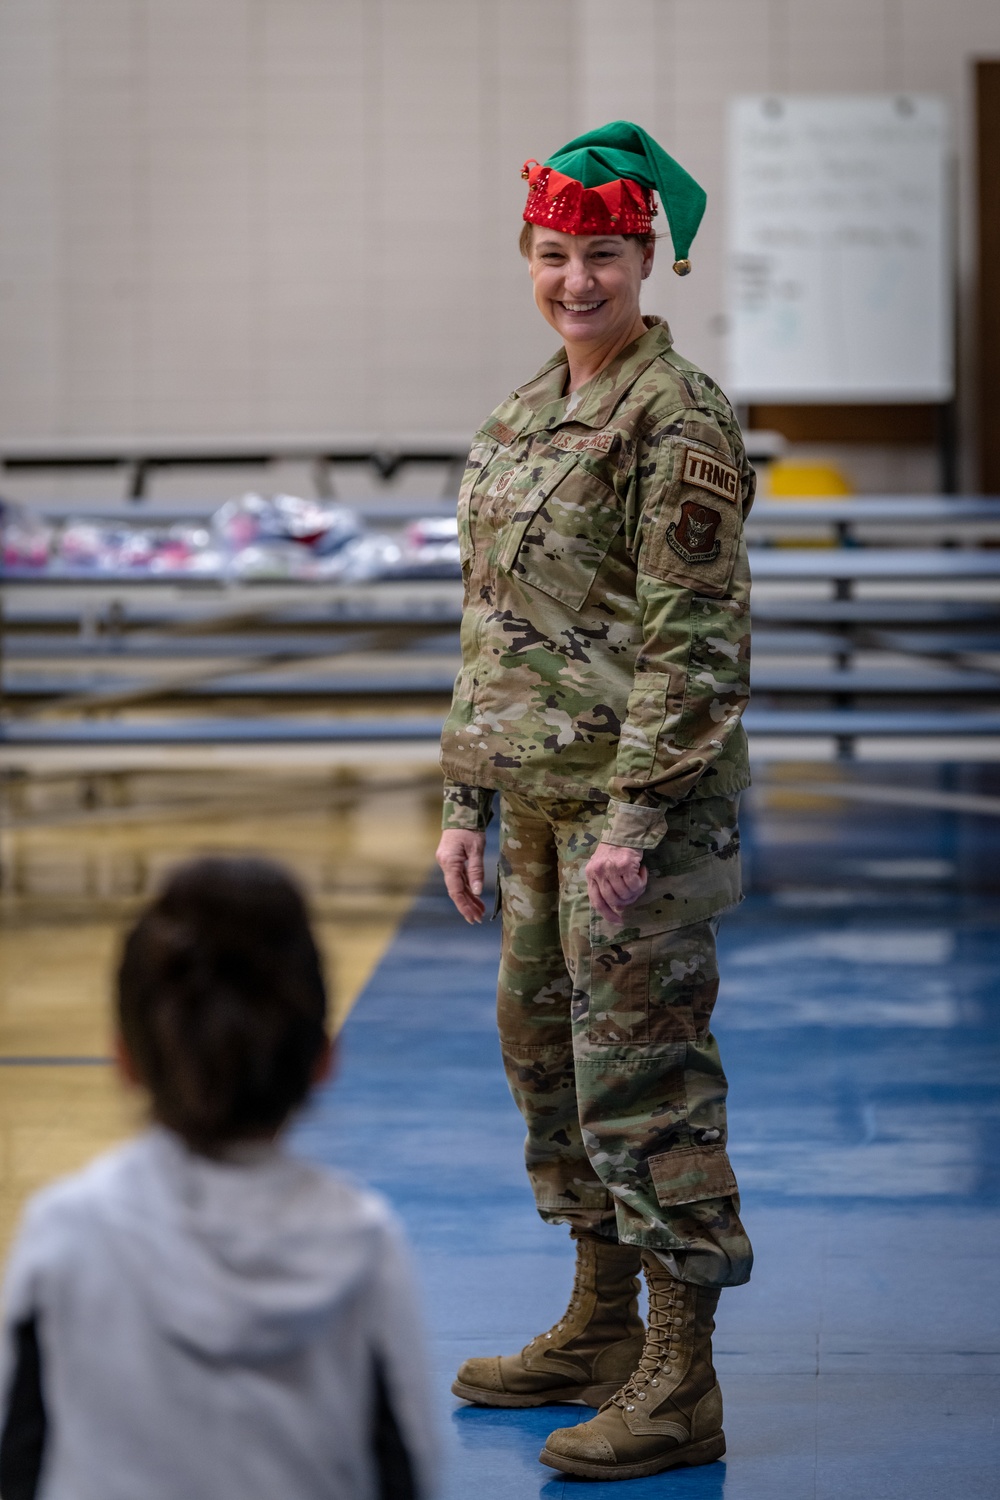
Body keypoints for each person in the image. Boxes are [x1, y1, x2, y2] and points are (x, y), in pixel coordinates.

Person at [436, 120, 754, 1482]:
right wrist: (465, 796)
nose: (578, 280)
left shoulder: (676, 418)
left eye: (604, 256)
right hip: (535, 806)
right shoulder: (525, 413)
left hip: (639, 818)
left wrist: (632, 823)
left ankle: (680, 1379)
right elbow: (490, 622)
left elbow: (696, 642)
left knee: (646, 1081)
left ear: (645, 261)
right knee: (550, 1067)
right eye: (556, 255)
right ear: (529, 257)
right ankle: (600, 1323)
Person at [0, 857, 436, 1500]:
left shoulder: (65, 1232)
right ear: (324, 1060)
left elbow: (18, 1459)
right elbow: (405, 1471)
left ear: (123, 1058)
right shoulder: (365, 1244)